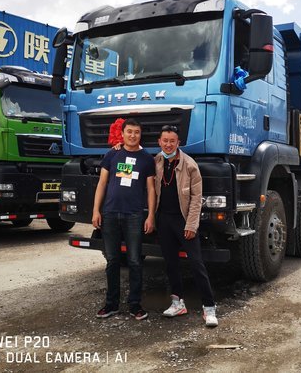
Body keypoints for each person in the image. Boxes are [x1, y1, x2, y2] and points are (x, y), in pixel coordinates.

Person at [92, 119, 156, 320]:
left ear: (140, 135)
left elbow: (151, 189)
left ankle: (135, 305)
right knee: (112, 260)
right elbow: (102, 183)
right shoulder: (112, 154)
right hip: (110, 214)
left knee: (135, 261)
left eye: (137, 132)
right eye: (129, 131)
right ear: (122, 133)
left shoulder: (147, 159)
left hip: (134, 216)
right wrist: (96, 211)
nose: (133, 135)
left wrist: (151, 215)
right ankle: (111, 304)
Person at [155, 125, 218, 327]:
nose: (168, 144)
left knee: (196, 263)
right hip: (164, 220)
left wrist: (191, 224)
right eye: (165, 140)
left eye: (172, 141)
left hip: (183, 221)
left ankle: (209, 307)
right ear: (159, 142)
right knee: (170, 263)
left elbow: (196, 198)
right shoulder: (156, 161)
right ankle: (177, 303)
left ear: (178, 143)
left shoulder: (190, 164)